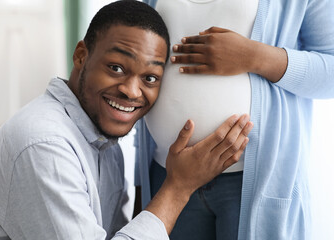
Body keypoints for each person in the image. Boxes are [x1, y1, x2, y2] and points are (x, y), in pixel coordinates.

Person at [0, 1, 254, 239]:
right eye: (116, 68)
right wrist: (179, 186)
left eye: (150, 78)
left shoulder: (100, 141)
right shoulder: (43, 145)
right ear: (81, 56)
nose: (132, 91)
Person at [135, 0, 334, 239]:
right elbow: (142, 68)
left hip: (252, 183)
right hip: (168, 174)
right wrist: (138, 178)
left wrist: (254, 56)